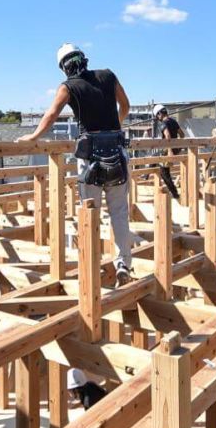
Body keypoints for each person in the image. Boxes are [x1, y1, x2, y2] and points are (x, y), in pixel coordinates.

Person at [18, 44, 134, 286]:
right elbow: (125, 105)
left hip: (91, 156)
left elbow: (51, 115)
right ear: (84, 59)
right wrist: (115, 126)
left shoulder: (68, 87)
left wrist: (33, 137)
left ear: (63, 67)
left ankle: (91, 266)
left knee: (89, 211)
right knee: (119, 213)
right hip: (117, 150)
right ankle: (124, 264)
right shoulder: (108, 75)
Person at [153, 104, 184, 200]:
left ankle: (175, 194)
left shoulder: (163, 123)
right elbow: (182, 135)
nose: (158, 118)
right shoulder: (174, 121)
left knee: (164, 173)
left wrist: (170, 150)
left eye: (157, 116)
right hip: (175, 149)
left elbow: (167, 135)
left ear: (159, 114)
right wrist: (177, 147)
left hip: (167, 150)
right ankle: (145, 175)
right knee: (154, 157)